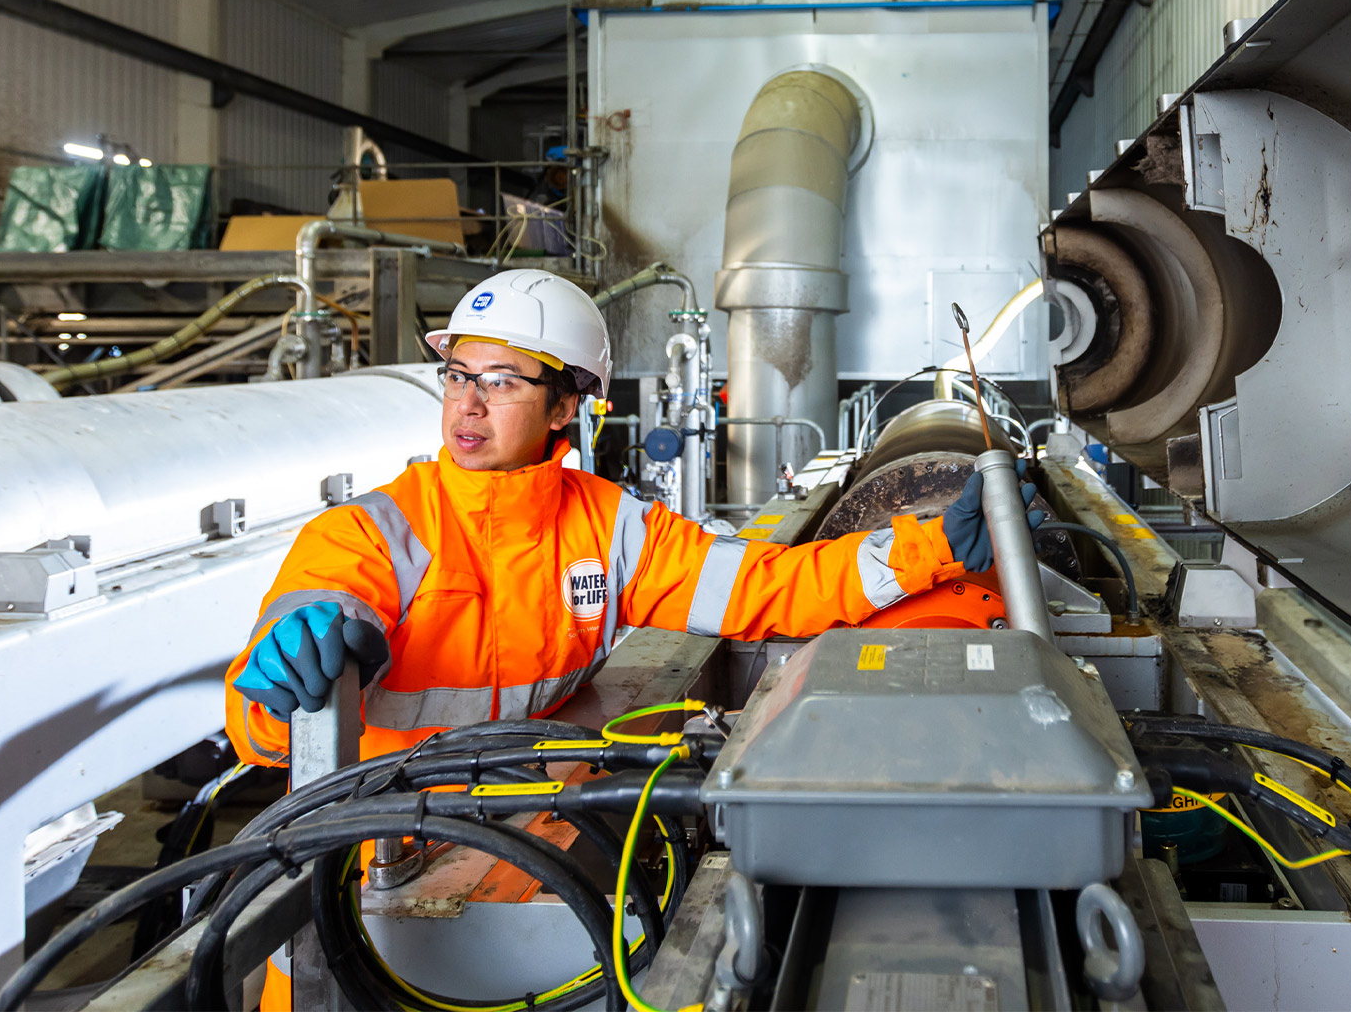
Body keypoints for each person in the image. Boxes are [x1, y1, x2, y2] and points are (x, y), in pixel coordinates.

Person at [223, 268, 1035, 768]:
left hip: (523, 830)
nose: (467, 405)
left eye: (501, 382)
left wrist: (932, 547)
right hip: (369, 863)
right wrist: (277, 687)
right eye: (458, 376)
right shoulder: (369, 534)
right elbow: (266, 728)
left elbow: (765, 588)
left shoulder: (610, 530)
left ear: (566, 405)